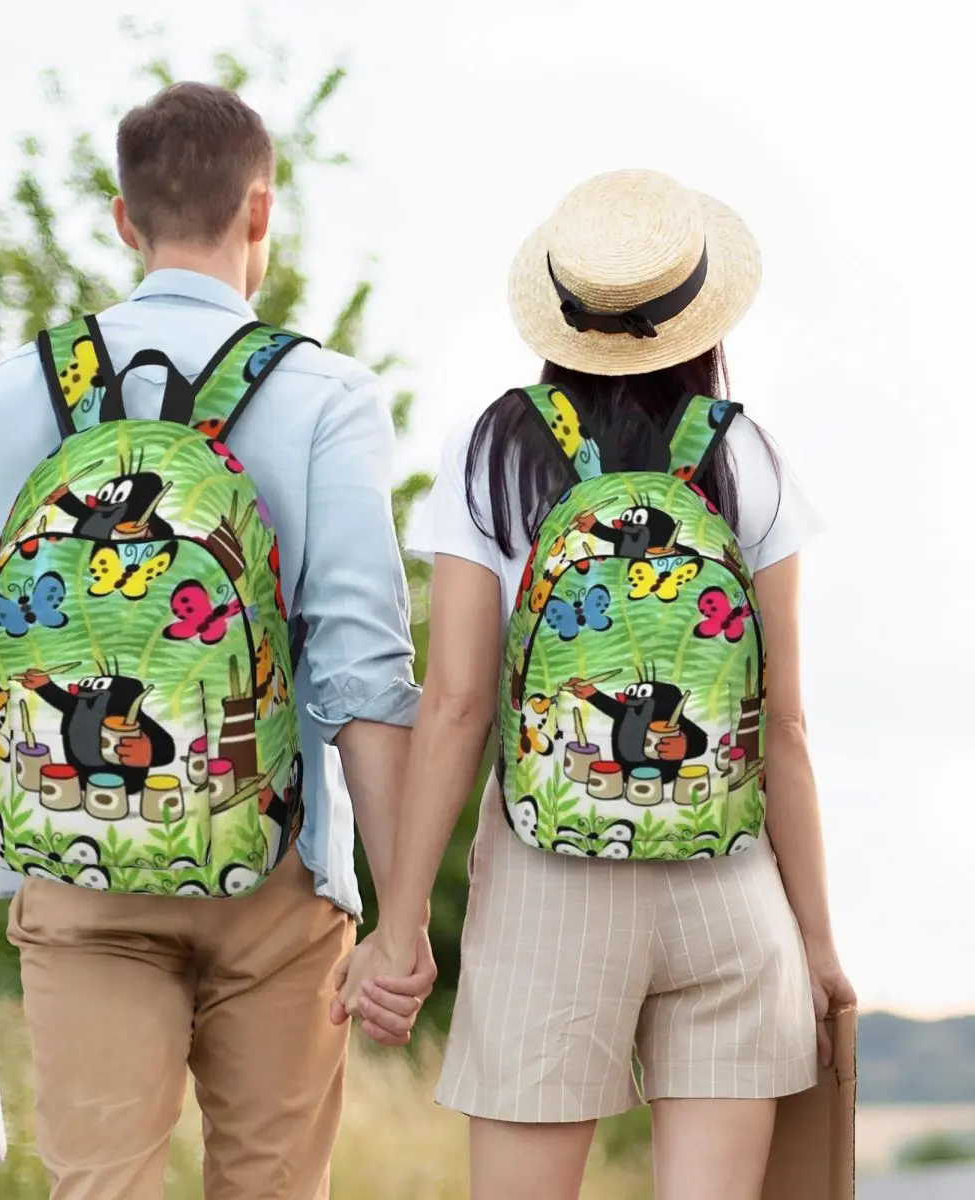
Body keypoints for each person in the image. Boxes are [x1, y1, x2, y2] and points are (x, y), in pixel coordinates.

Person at [0, 81, 434, 1200]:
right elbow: (365, 679)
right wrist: (402, 915)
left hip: (76, 870)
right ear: (261, 213)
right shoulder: (326, 396)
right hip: (278, 874)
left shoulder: (11, 396)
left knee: (101, 1186)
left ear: (124, 220)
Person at [335, 169, 856, 1200]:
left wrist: (399, 928)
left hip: (549, 882)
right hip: (730, 885)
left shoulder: (493, 451)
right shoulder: (748, 456)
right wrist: (818, 943)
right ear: (700, 316)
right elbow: (784, 725)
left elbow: (456, 705)